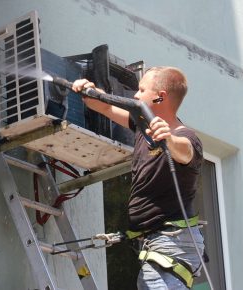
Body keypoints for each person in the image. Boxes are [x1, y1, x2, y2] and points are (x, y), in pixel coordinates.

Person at [72, 66, 205, 289]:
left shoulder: (185, 136)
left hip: (172, 241)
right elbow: (103, 106)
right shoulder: (143, 127)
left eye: (141, 90)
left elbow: (185, 151)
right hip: (158, 241)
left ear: (160, 97)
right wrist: (88, 91)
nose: (135, 95)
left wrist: (169, 141)